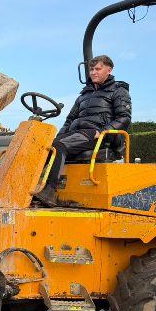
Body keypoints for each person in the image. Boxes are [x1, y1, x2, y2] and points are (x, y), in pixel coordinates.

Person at [35, 55, 131, 206]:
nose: (93, 72)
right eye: (91, 69)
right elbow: (69, 119)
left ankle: (49, 192)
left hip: (98, 135)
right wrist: (60, 135)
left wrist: (104, 131)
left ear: (109, 70)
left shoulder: (118, 91)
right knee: (46, 147)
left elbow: (124, 118)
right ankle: (34, 187)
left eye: (98, 69)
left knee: (59, 146)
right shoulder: (83, 95)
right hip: (79, 133)